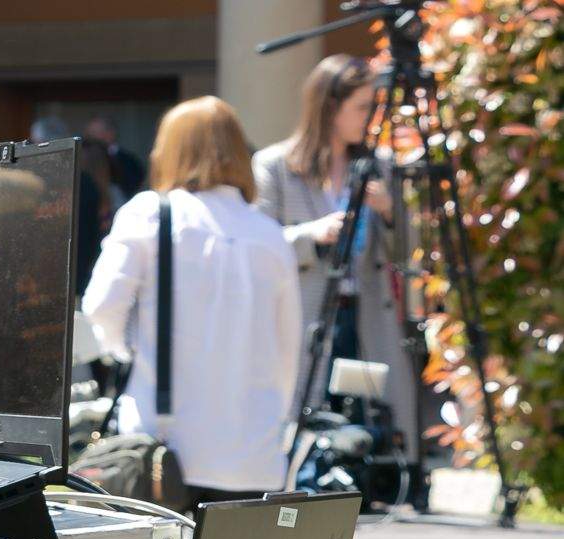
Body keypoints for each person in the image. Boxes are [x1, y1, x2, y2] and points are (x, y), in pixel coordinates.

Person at [81, 97, 301, 504]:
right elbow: (288, 349)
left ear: (169, 151)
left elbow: (102, 305)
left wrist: (125, 349)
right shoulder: (270, 234)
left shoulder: (149, 214)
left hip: (164, 448)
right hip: (251, 450)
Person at [252, 54, 423, 460]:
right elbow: (257, 245)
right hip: (306, 315)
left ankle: (377, 481)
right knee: (305, 419)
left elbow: (410, 252)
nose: (371, 118)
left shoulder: (379, 166)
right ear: (330, 106)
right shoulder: (276, 166)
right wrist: (312, 235)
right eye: (362, 107)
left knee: (368, 417)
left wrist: (389, 212)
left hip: (364, 314)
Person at [32, 117, 104, 297]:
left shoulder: (31, 182)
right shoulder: (84, 180)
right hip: (69, 276)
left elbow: (92, 230)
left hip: (59, 276)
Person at [84, 115, 145, 203]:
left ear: (110, 133)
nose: (90, 138)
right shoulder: (83, 159)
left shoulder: (129, 161)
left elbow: (134, 185)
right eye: (89, 134)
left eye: (95, 133)